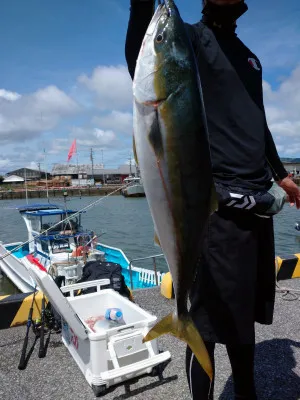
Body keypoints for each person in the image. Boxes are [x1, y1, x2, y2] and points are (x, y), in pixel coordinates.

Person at [125, 1, 300, 399]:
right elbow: (141, 51)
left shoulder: (250, 59)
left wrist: (282, 175)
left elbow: (259, 121)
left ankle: (247, 394)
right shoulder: (188, 39)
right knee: (204, 323)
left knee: (241, 320)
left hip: (257, 203)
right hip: (213, 204)